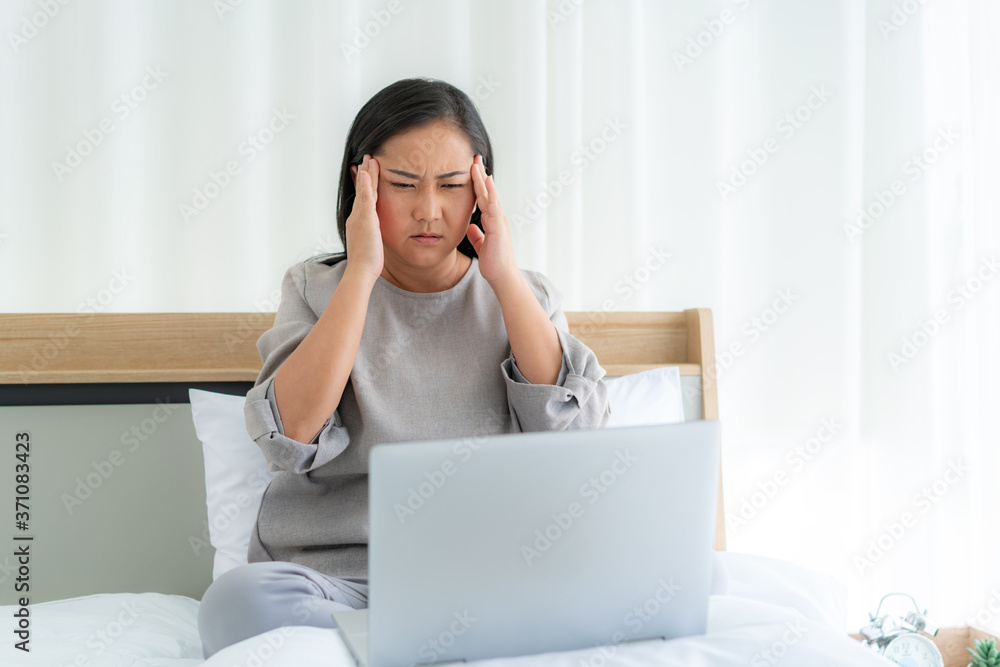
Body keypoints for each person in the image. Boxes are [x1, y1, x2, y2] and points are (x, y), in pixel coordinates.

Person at [196, 77, 610, 658]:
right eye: (403, 185)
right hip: (340, 578)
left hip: (487, 571)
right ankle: (434, 639)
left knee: (686, 576)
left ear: (481, 190)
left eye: (450, 186)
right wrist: (361, 272)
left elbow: (573, 434)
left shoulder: (523, 293)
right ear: (363, 184)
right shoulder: (315, 288)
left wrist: (503, 278)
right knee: (237, 603)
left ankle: (423, 637)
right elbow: (288, 437)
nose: (429, 210)